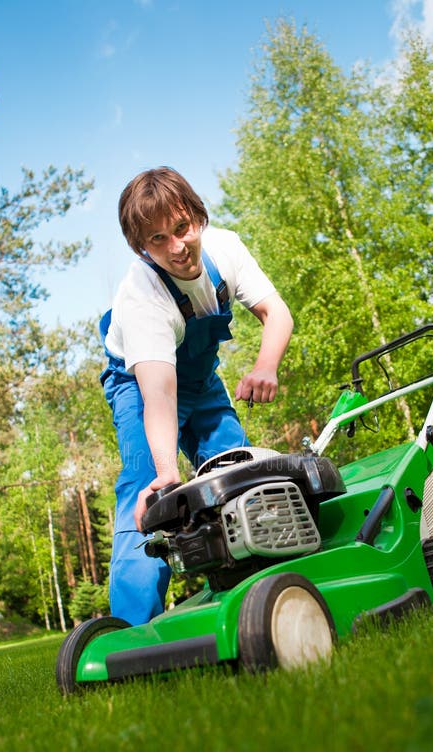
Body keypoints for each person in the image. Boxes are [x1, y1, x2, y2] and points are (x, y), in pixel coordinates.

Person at [100, 166, 293, 625]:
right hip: (140, 388)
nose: (176, 247)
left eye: (182, 229)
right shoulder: (142, 297)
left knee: (239, 470)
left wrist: (266, 366)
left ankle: (259, 592)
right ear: (141, 247)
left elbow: (276, 312)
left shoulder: (225, 249)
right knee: (145, 489)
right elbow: (160, 397)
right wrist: (168, 472)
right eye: (158, 240)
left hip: (202, 381)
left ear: (197, 217)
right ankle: (132, 629)